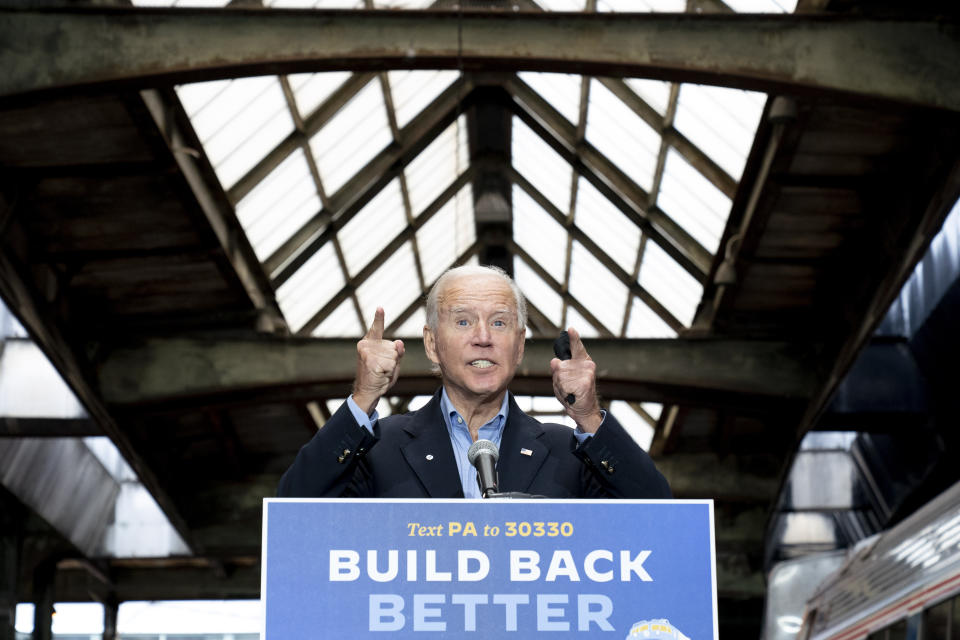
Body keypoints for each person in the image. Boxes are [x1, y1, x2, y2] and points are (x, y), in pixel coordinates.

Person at [278, 265, 670, 499]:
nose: (483, 336)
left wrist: (587, 417)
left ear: (518, 347)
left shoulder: (568, 452)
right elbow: (294, 511)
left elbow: (658, 518)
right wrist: (363, 398)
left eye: (499, 322)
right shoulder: (380, 448)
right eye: (463, 321)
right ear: (432, 344)